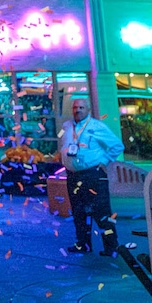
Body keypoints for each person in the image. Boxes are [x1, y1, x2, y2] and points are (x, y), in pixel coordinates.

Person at [59, 103, 123, 256]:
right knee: (78, 212)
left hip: (93, 175)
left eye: (81, 107)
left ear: (88, 110)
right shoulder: (67, 127)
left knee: (101, 211)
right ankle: (83, 243)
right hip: (74, 176)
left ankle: (111, 246)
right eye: (75, 107)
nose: (77, 110)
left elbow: (117, 146)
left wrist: (105, 160)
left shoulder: (97, 126)